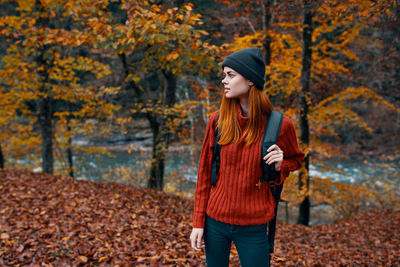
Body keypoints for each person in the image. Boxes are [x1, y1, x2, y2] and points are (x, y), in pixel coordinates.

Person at [189, 47, 305, 267]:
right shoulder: (217, 121)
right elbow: (204, 174)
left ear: (251, 80)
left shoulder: (280, 125)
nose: (224, 81)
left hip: (255, 225)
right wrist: (198, 223)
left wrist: (282, 164)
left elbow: (297, 160)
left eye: (231, 75)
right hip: (215, 221)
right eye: (224, 75)